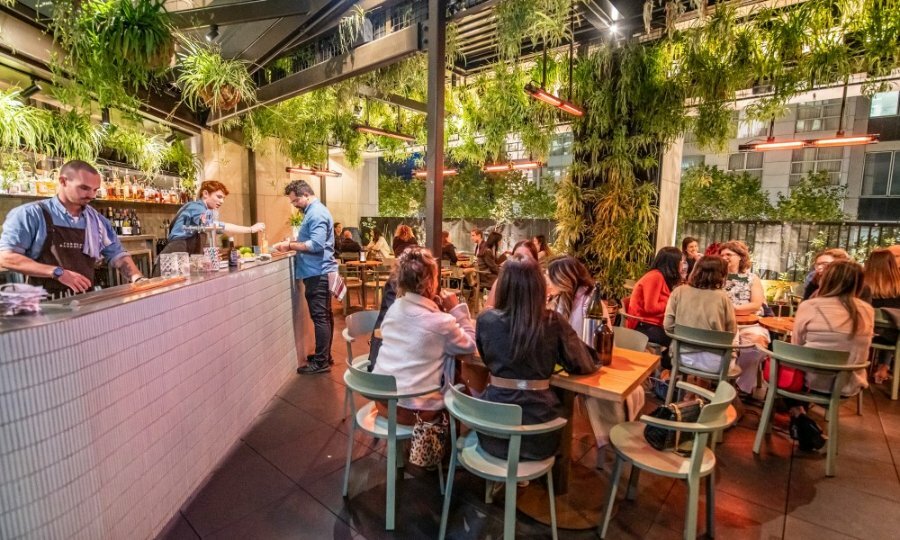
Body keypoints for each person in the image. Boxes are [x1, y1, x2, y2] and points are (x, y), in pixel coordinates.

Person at [476, 254, 599, 460]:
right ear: (539, 286)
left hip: (493, 431)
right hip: (539, 435)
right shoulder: (553, 322)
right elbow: (583, 364)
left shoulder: (486, 320)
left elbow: (486, 358)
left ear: (503, 285)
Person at [0, 160, 146, 296]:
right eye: (84, 188)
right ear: (63, 181)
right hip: (44, 303)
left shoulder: (97, 220)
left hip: (84, 299)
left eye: (95, 190)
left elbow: (117, 255)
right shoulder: (30, 214)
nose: (91, 195)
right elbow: (6, 258)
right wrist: (58, 272)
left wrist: (137, 278)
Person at [371, 247, 476, 425]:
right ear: (431, 282)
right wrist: (455, 309)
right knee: (464, 392)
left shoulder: (394, 309)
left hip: (383, 403)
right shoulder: (442, 323)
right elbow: (471, 344)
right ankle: (450, 448)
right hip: (416, 413)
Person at [790, 261, 873, 435]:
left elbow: (795, 346)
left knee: (779, 364)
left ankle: (798, 415)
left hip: (811, 383)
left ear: (826, 280)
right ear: (858, 283)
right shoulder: (867, 310)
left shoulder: (810, 306)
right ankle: (800, 418)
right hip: (848, 384)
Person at [273, 180, 338, 374]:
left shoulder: (316, 213)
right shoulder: (314, 211)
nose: (294, 205)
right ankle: (324, 356)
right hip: (319, 271)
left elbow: (316, 245)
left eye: (295, 201)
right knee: (325, 316)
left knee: (320, 317)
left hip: (317, 272)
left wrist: (290, 245)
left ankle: (321, 363)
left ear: (305, 195)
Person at [664, 256, 737, 373]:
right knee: (737, 339)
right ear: (721, 274)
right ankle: (707, 388)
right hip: (716, 363)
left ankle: (693, 386)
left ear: (696, 270)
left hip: (681, 357)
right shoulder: (723, 297)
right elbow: (731, 333)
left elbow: (668, 326)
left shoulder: (679, 291)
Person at [162, 180, 265, 256]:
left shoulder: (207, 212)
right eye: (219, 197)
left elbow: (222, 230)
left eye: (223, 198)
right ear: (205, 194)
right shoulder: (196, 207)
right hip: (174, 253)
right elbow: (217, 226)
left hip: (184, 254)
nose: (222, 201)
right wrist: (251, 229)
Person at [720, 240, 768, 393]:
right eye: (722, 255)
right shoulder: (717, 277)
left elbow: (756, 304)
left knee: (756, 343)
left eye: (729, 254)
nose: (725, 257)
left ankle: (741, 385)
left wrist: (733, 308)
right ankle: (721, 379)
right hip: (723, 323)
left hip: (749, 323)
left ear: (740, 257)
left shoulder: (752, 278)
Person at [627, 246, 682, 368]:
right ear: (672, 263)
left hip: (653, 324)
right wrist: (671, 303)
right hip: (644, 327)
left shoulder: (660, 277)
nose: (682, 265)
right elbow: (650, 308)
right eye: (680, 262)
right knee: (680, 340)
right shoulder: (655, 277)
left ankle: (667, 373)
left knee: (680, 337)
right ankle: (667, 373)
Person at [863, 248, 900, 383]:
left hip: (865, 332)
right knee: (892, 327)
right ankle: (884, 367)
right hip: (893, 337)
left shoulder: (861, 285)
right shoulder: (898, 286)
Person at [484, 239, 538, 309]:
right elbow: (487, 309)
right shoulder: (502, 281)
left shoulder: (539, 285)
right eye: (517, 257)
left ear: (535, 260)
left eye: (526, 257)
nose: (520, 261)